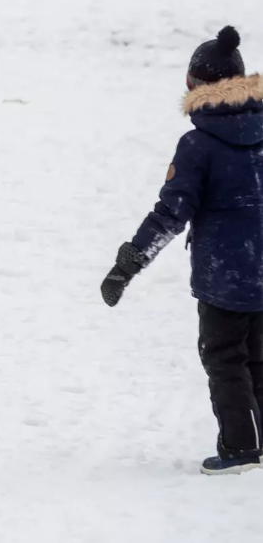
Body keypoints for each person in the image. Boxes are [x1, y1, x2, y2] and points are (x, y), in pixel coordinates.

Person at [100, 26, 263, 475]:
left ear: (195, 86)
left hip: (224, 276)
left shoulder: (199, 145)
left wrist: (127, 264)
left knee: (226, 359)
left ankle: (241, 449)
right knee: (258, 357)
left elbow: (170, 214)